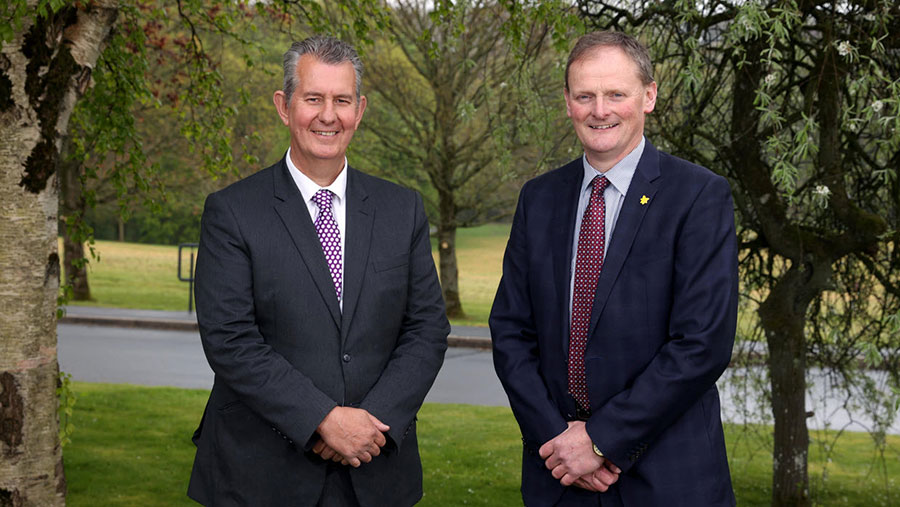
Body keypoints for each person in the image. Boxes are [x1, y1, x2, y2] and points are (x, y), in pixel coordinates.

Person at [187, 35, 449, 506]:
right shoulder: (232, 212)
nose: (328, 115)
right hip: (260, 478)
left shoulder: (401, 209)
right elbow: (230, 339)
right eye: (313, 99)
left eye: (341, 100)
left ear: (360, 109)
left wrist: (369, 424)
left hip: (375, 469)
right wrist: (323, 419)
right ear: (284, 106)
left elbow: (427, 329)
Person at [490, 31, 738, 506]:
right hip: (558, 474)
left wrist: (600, 440)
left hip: (666, 479)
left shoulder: (698, 196)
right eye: (585, 95)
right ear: (567, 103)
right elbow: (510, 332)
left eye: (615, 94)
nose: (599, 109)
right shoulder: (539, 199)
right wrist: (559, 442)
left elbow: (701, 344)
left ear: (649, 96)